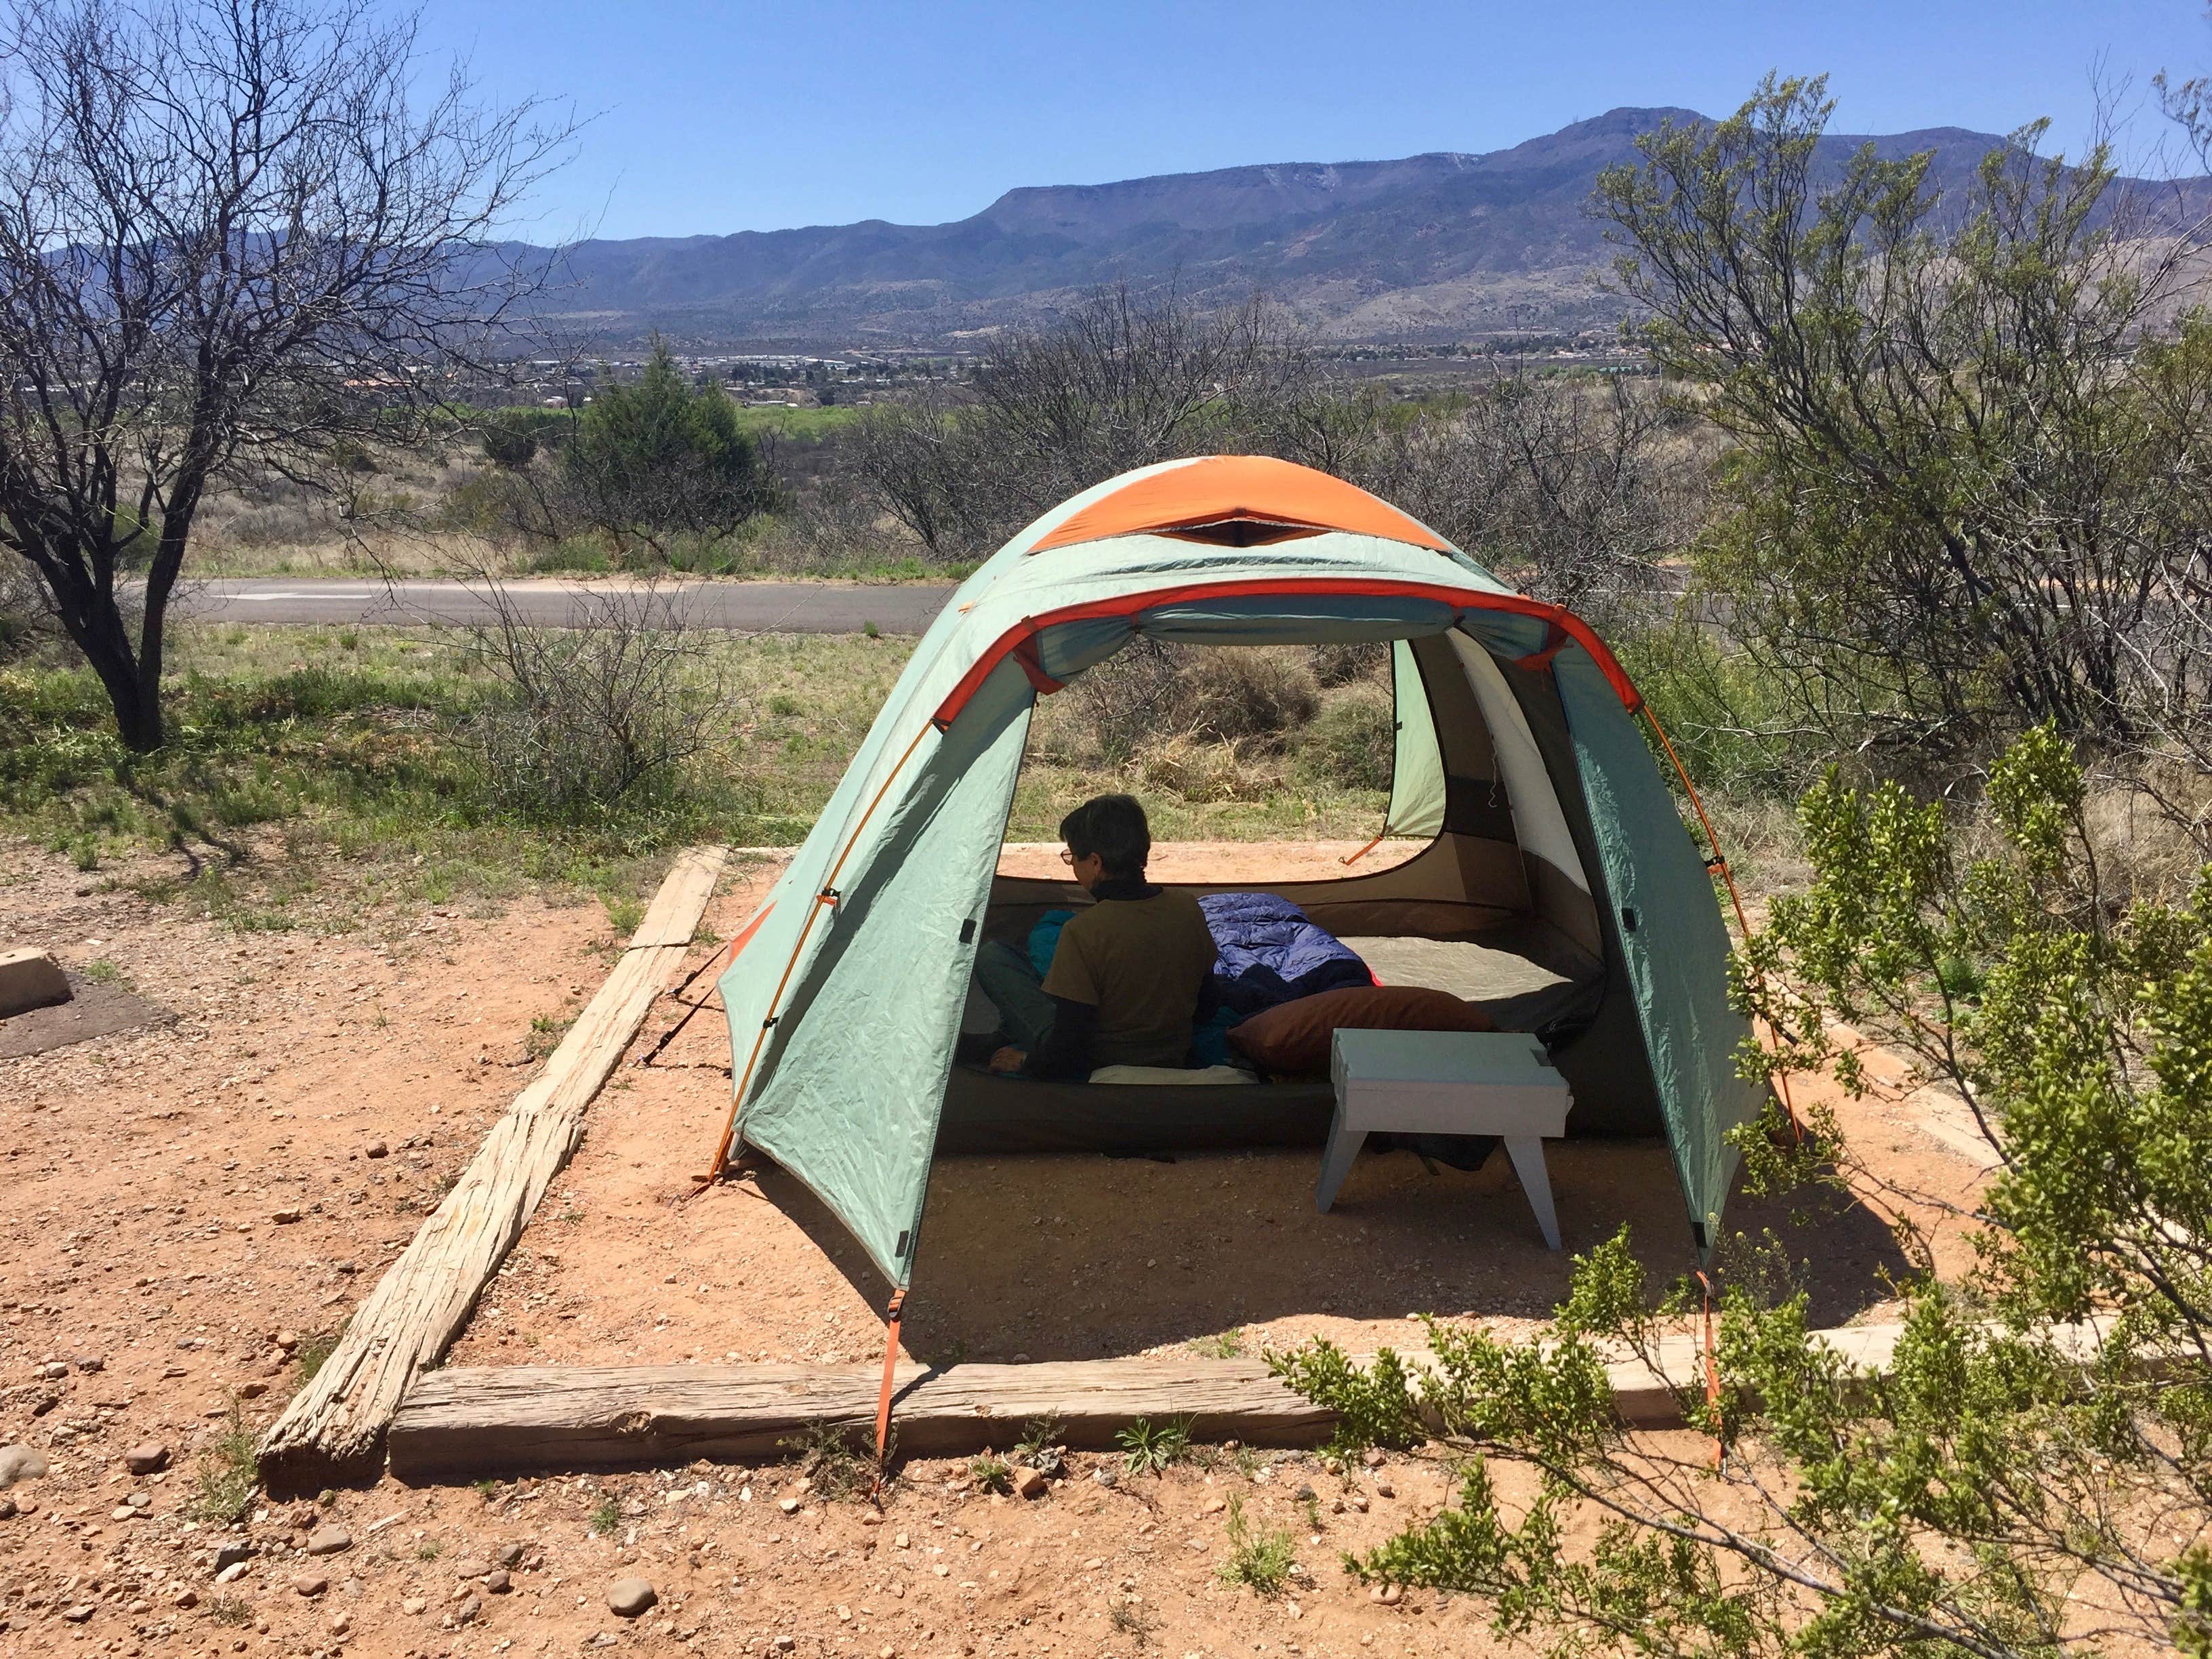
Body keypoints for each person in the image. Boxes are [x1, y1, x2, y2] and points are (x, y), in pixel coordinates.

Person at [964, 794, 1218, 1080]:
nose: (1072, 866)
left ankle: (1007, 1040)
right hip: (1173, 1053)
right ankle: (1004, 1037)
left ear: (1096, 863)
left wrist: (1027, 1062)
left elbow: (1069, 1050)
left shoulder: (1085, 932)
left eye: (1072, 856)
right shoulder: (1187, 907)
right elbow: (1207, 1007)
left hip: (1099, 1061)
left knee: (993, 957)